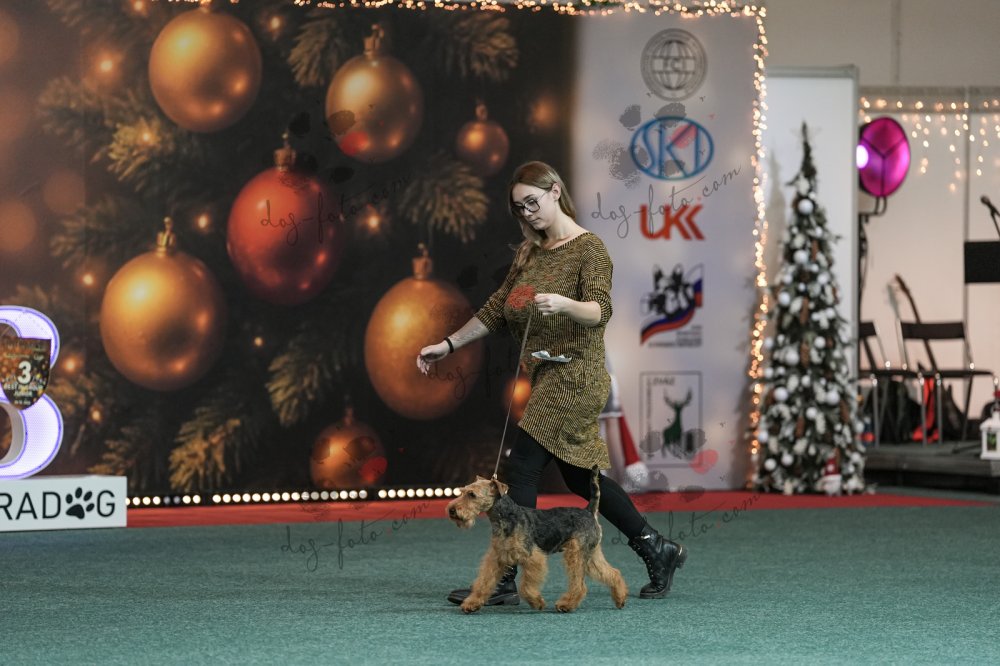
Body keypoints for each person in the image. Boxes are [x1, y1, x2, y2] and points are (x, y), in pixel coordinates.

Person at [417, 161, 686, 605]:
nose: (527, 213)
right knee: (581, 479)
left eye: (532, 202)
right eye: (519, 208)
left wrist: (564, 304)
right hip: (546, 375)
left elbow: (600, 310)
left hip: (577, 376)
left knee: (522, 465)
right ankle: (658, 548)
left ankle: (507, 576)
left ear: (555, 191)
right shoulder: (531, 253)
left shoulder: (590, 249)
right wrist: (447, 345)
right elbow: (497, 308)